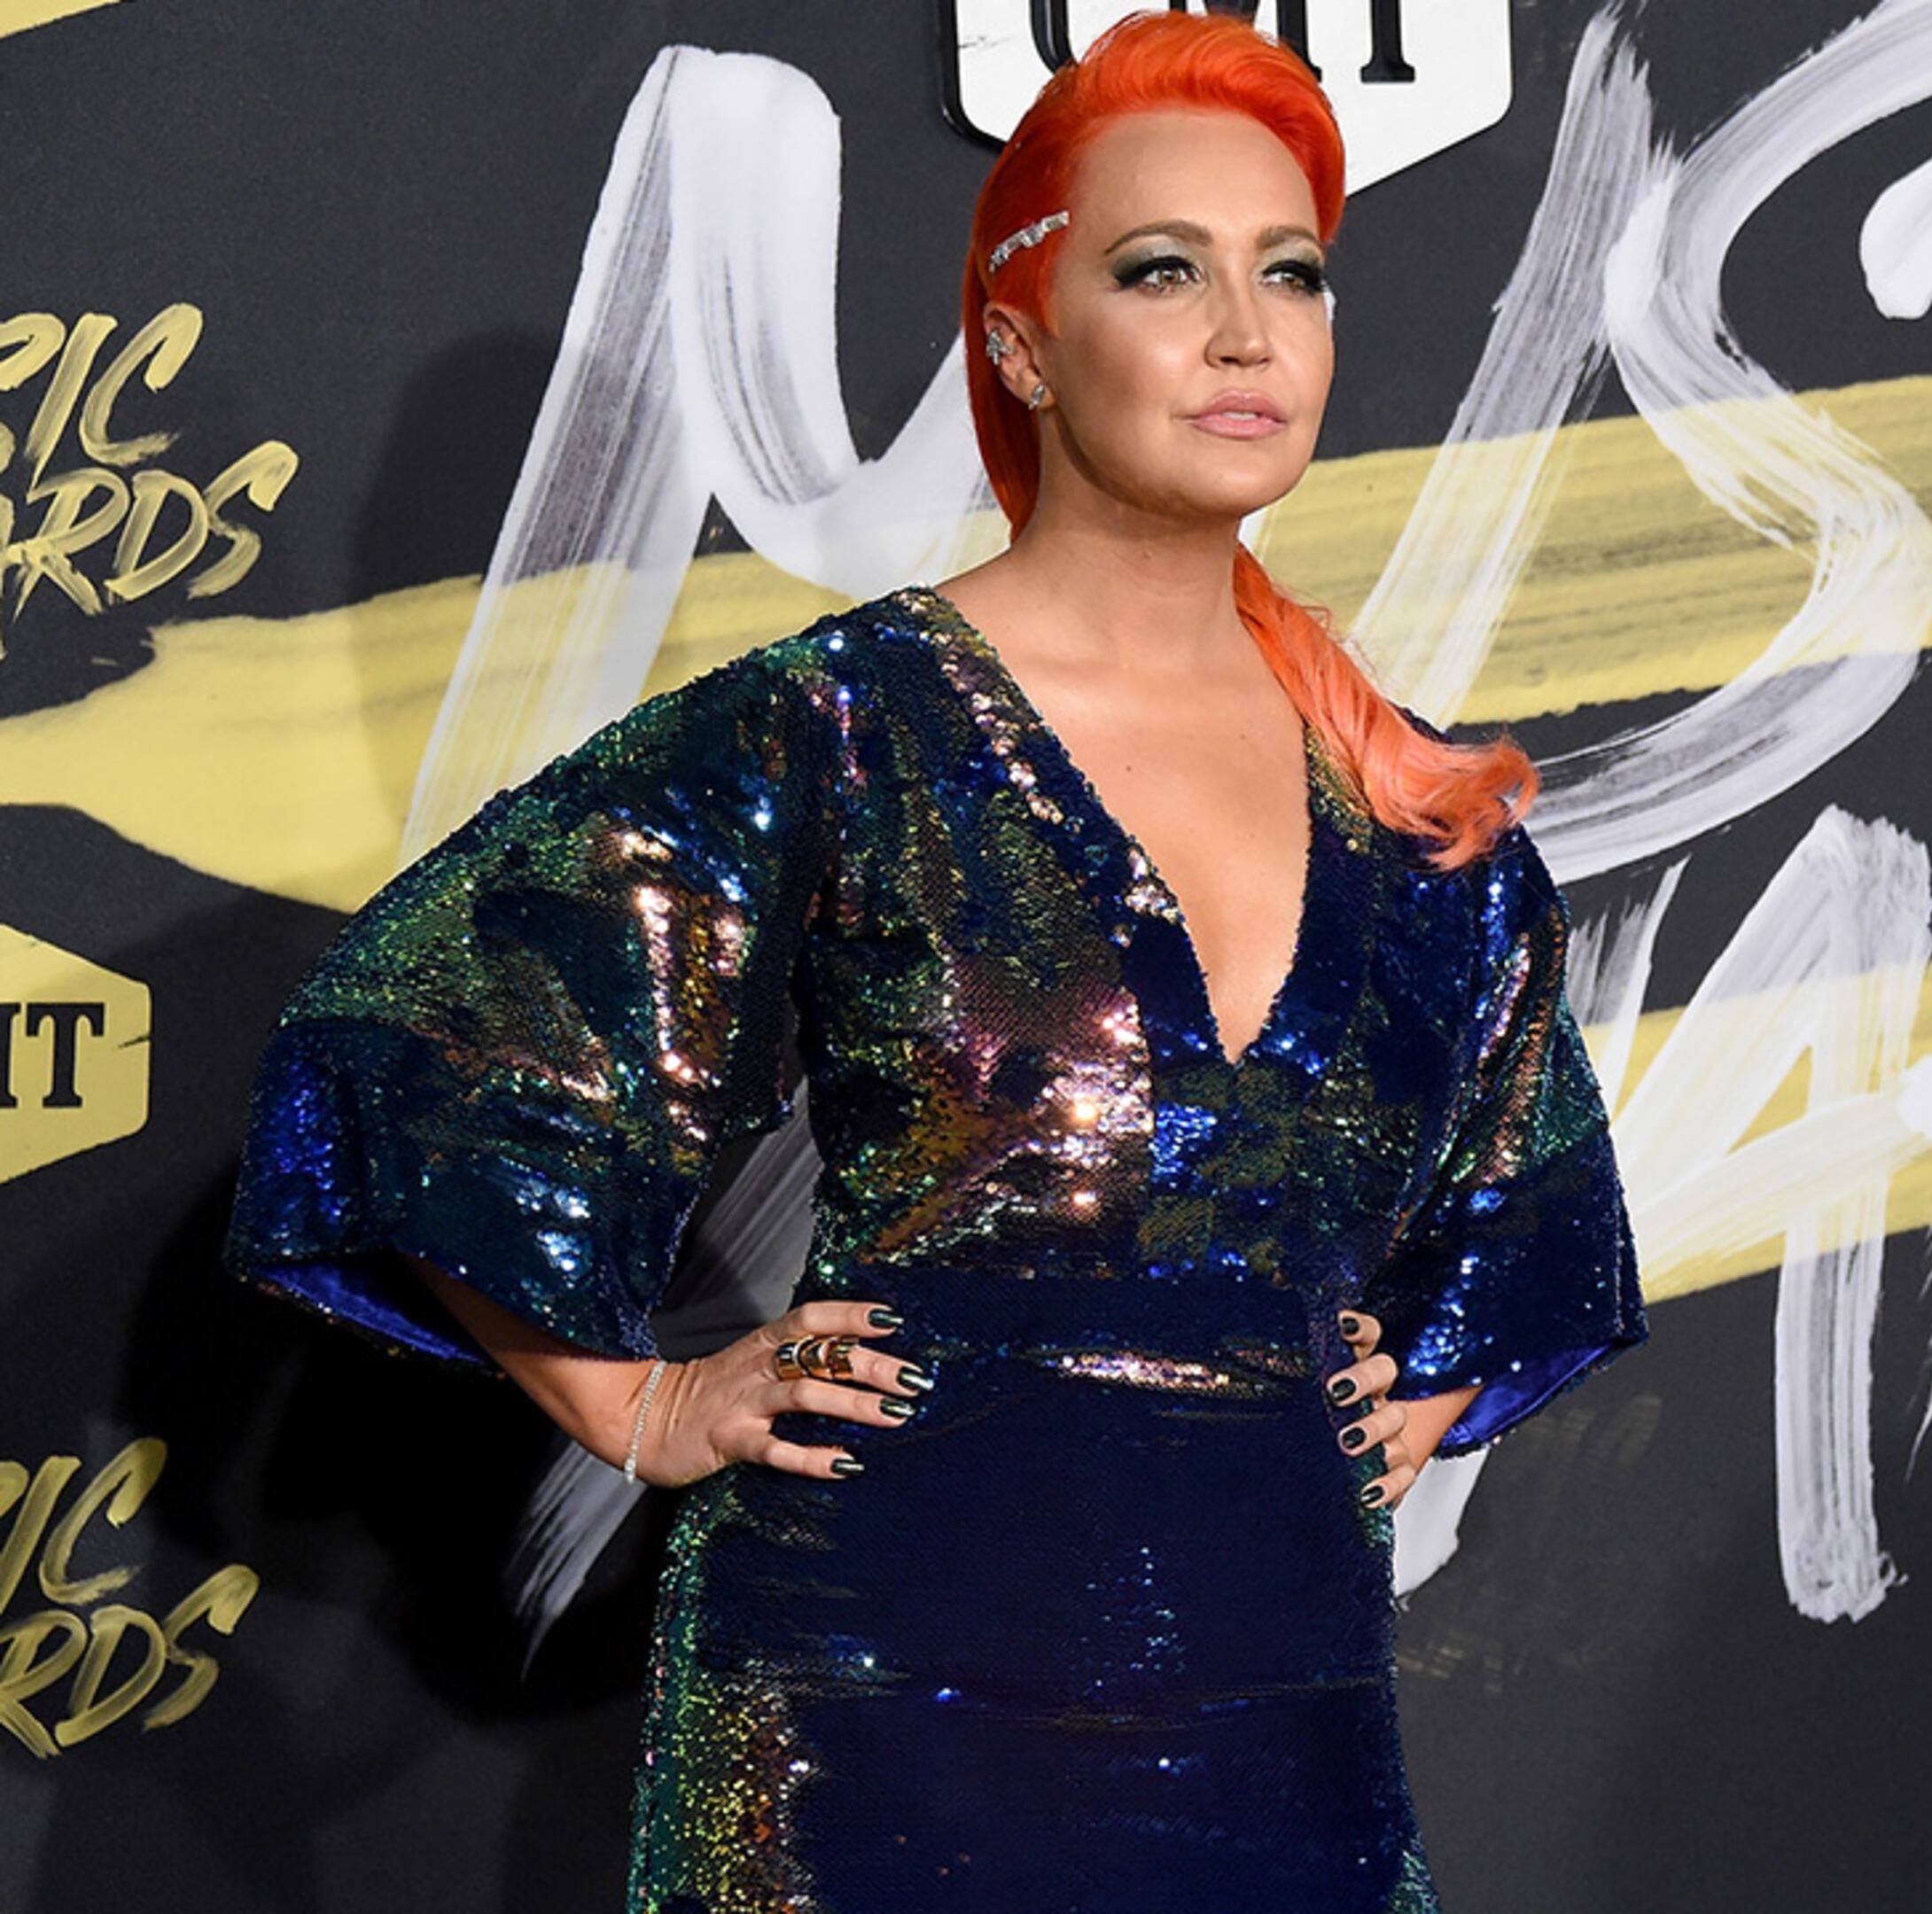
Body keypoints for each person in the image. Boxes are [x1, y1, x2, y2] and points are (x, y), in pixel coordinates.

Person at [220, 13, 1648, 1909]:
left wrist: (1411, 1384)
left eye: (1291, 272)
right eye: (1164, 270)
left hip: (1277, 1720)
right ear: (1018, 339)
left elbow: (1533, 1218)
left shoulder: (1407, 803)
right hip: (867, 1709)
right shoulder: (837, 726)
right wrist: (640, 1401)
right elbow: (419, 1051)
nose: (1247, 330)